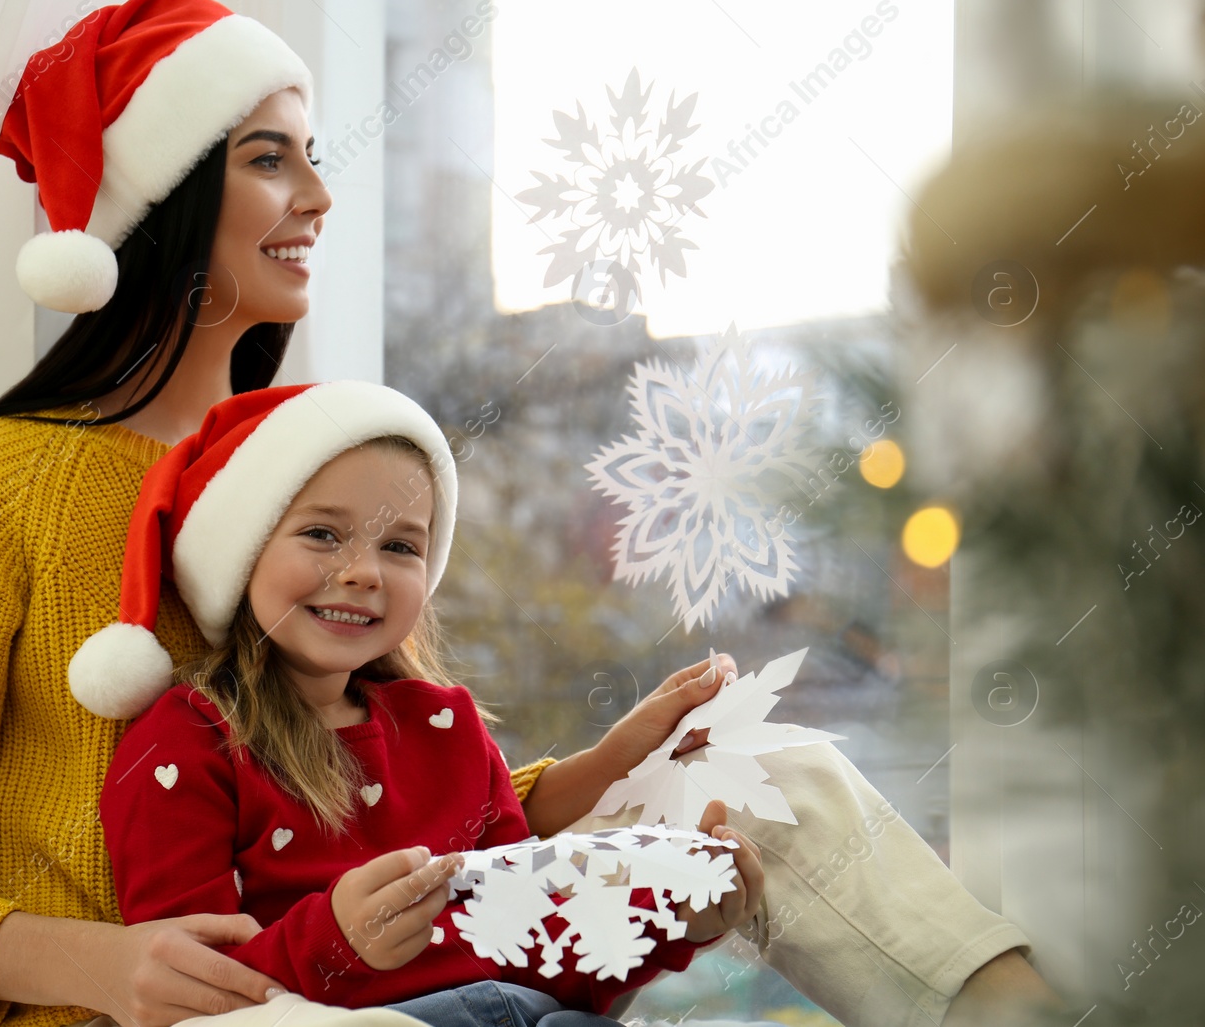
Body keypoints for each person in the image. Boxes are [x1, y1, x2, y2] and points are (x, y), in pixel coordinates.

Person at [0, 0, 1056, 1027]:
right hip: (197, 1009)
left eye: (312, 153)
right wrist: (102, 964)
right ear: (163, 200)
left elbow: (386, 807)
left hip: (381, 964)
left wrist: (616, 771)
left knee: (771, 764)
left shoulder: (320, 468)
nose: (319, 194)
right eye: (267, 158)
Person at [68, 380, 765, 1027]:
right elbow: (190, 999)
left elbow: (538, 954)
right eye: (321, 533)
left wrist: (668, 923)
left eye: (400, 545)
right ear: (242, 551)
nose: (363, 571)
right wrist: (335, 941)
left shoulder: (447, 727)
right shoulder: (186, 744)